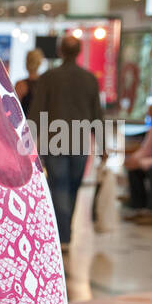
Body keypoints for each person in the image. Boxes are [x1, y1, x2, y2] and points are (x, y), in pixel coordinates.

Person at [30, 34, 103, 250]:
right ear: (79, 52)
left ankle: (63, 236)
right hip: (80, 141)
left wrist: (28, 140)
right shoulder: (89, 79)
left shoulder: (48, 77)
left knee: (59, 187)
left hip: (54, 141)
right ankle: (65, 232)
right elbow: (96, 114)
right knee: (73, 188)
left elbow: (36, 111)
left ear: (60, 51)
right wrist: (103, 146)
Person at [16, 47, 45, 118]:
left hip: (27, 125)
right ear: (39, 63)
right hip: (42, 124)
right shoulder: (45, 84)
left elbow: (15, 111)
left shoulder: (20, 85)